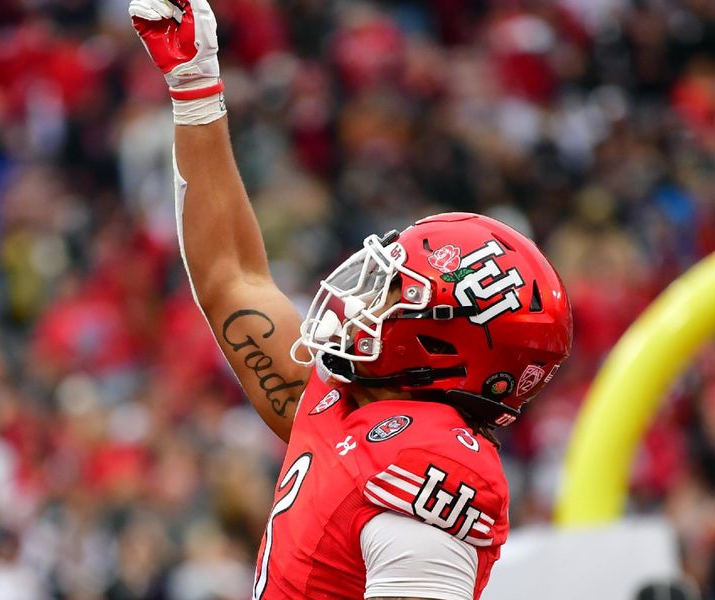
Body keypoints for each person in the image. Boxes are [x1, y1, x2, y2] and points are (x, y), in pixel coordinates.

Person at [128, 0, 573, 598]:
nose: (364, 299)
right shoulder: (349, 404)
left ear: (444, 343)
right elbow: (231, 277)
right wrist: (195, 87)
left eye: (395, 292)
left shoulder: (430, 457)